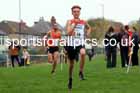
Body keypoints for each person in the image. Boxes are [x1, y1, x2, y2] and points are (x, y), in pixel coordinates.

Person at [66, 5, 91, 89]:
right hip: (71, 44)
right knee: (71, 65)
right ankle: (70, 79)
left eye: (78, 11)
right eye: (74, 11)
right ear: (72, 13)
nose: (76, 13)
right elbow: (69, 33)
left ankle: (80, 72)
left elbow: (89, 28)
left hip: (80, 43)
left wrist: (87, 33)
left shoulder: (83, 21)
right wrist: (73, 26)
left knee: (83, 53)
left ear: (80, 12)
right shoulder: (70, 21)